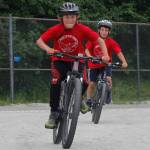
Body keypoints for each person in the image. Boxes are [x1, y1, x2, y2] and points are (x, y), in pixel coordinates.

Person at [36, 2, 109, 129]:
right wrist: (48, 48)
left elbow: (100, 40)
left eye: (73, 16)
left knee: (85, 81)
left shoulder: (82, 29)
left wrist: (106, 55)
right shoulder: (56, 29)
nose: (70, 19)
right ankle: (54, 113)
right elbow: (40, 41)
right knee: (56, 82)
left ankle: (79, 98)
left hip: (77, 60)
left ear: (77, 17)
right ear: (61, 18)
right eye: (67, 16)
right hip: (59, 60)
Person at [85, 19, 128, 108]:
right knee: (92, 83)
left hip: (106, 65)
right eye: (102, 30)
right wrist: (90, 57)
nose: (104, 32)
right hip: (94, 65)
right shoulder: (93, 39)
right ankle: (88, 99)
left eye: (106, 30)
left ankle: (108, 92)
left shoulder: (111, 42)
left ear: (109, 32)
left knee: (108, 78)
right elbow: (86, 49)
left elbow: (118, 52)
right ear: (99, 30)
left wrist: (124, 62)